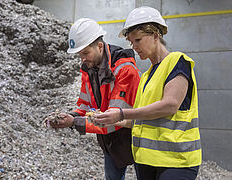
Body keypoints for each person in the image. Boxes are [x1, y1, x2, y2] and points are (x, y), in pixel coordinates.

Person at [95, 6, 202, 180]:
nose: (134, 47)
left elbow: (170, 105)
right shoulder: (145, 76)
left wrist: (121, 113)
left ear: (155, 35)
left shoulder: (177, 62)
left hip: (176, 161)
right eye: (131, 42)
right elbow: (139, 120)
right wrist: (109, 118)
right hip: (146, 160)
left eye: (138, 40)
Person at [44, 18, 141, 179]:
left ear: (100, 46)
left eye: (86, 52)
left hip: (135, 136)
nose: (82, 59)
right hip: (110, 140)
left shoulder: (124, 69)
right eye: (80, 54)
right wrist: (70, 116)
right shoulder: (89, 70)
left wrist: (74, 122)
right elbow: (86, 106)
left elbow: (115, 118)